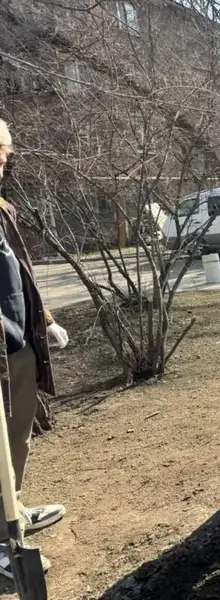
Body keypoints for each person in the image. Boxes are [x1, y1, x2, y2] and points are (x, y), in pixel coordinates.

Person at [0, 119, 69, 578]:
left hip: (18, 345)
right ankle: (5, 545)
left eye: (4, 155)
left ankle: (13, 512)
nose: (4, 164)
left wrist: (44, 321)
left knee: (16, 439)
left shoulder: (1, 209)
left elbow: (18, 273)